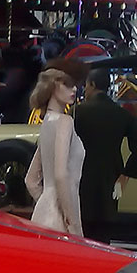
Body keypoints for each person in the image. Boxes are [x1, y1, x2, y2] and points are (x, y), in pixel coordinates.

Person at [73, 67, 137, 243]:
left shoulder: (78, 113)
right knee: (103, 237)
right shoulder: (121, 113)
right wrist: (126, 174)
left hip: (80, 178)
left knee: (81, 234)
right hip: (111, 179)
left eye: (86, 85)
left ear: (92, 84)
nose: (85, 89)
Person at [24, 68, 85, 235]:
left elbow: (30, 180)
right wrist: (72, 221)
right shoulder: (65, 122)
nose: (74, 89)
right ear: (52, 87)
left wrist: (46, 201)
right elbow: (60, 174)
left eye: (74, 85)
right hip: (61, 220)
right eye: (67, 84)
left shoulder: (46, 124)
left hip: (42, 216)